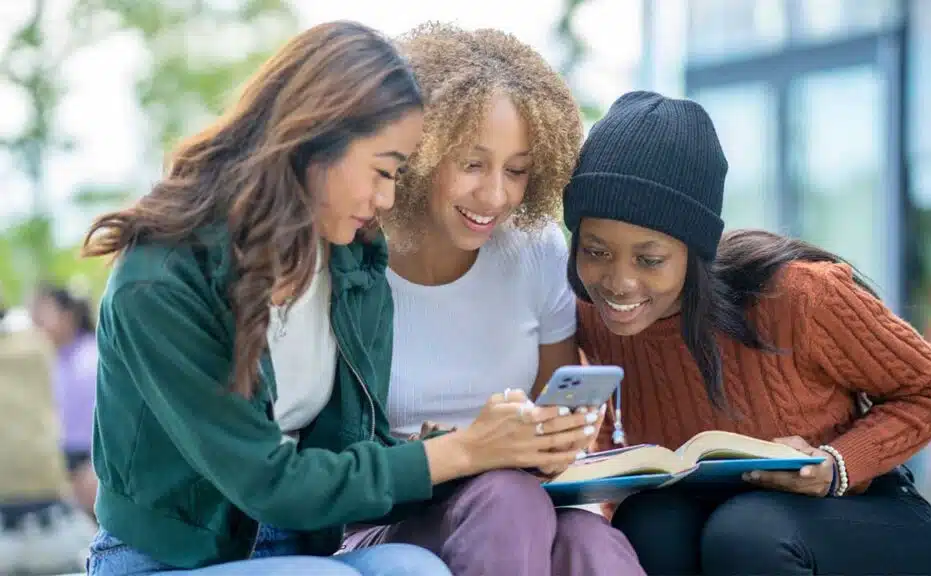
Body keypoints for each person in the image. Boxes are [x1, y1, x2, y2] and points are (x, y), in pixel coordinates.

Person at [78, 21, 594, 576]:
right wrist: (463, 451)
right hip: (167, 559)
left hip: (299, 543)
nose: (389, 197)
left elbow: (355, 449)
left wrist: (488, 444)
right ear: (314, 142)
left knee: (413, 569)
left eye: (398, 174)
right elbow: (268, 483)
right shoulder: (161, 282)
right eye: (382, 170)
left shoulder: (350, 258)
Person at [563, 91, 931, 575]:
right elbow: (612, 428)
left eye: (650, 260)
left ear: (695, 253)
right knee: (647, 521)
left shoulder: (797, 296)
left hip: (863, 518)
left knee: (746, 532)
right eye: (596, 251)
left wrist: (838, 463)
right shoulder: (594, 315)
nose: (618, 283)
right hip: (718, 519)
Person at [342, 23, 643, 576]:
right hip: (388, 516)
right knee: (507, 499)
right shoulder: (354, 253)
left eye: (517, 170)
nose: (494, 196)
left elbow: (550, 412)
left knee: (590, 540)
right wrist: (454, 451)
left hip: (522, 509)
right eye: (472, 164)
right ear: (422, 151)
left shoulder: (535, 250)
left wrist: (557, 443)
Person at [30, 284, 100, 519]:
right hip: (60, 468)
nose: (36, 319)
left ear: (68, 315)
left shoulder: (93, 357)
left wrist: (93, 467)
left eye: (43, 311)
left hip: (94, 464)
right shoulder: (46, 360)